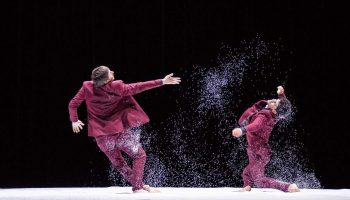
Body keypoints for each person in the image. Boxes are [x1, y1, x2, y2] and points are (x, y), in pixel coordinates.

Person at [68, 66, 181, 193]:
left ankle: (139, 185)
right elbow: (139, 87)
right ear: (106, 80)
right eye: (110, 72)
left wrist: (74, 120)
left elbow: (73, 104)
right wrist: (162, 81)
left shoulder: (87, 87)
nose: (113, 72)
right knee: (139, 155)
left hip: (101, 137)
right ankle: (138, 187)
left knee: (119, 163)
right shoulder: (117, 86)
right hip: (118, 133)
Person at [231, 86, 300, 192]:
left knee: (259, 180)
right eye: (276, 100)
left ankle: (288, 187)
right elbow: (283, 108)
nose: (273, 100)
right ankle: (246, 187)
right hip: (258, 150)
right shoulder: (276, 115)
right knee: (246, 172)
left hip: (258, 152)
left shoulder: (264, 116)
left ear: (275, 110)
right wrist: (281, 95)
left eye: (275, 103)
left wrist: (242, 130)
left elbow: (256, 125)